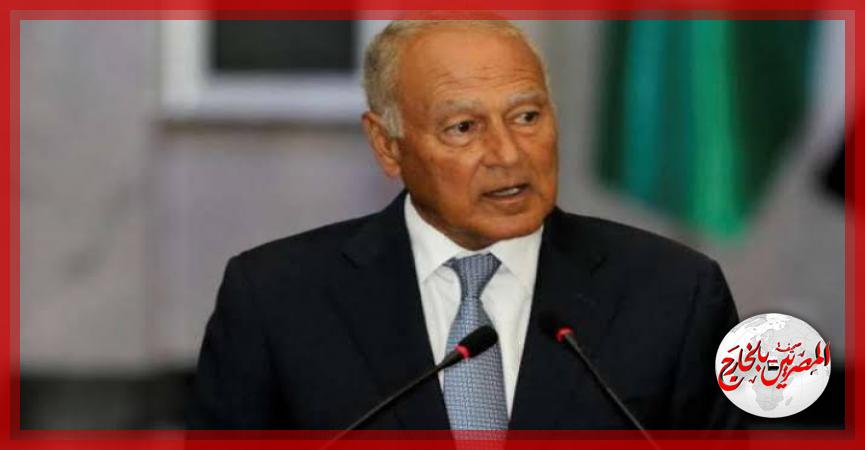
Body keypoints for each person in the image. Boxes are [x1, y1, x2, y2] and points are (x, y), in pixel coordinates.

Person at [188, 19, 742, 431]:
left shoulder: (675, 293)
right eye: (463, 128)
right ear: (387, 144)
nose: (508, 153)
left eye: (527, 117)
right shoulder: (275, 299)